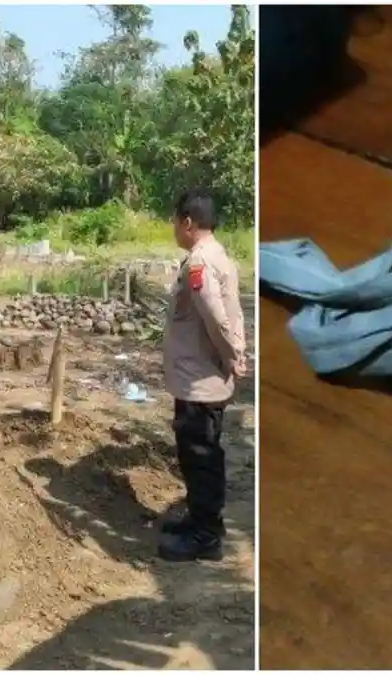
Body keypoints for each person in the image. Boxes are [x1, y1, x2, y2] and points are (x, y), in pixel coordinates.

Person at [159, 189, 247, 562]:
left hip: (200, 380)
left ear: (188, 222)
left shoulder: (200, 264)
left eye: (176, 222)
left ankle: (206, 536)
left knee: (201, 455)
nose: (175, 228)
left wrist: (234, 356)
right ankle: (199, 519)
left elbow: (216, 317)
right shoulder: (214, 256)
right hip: (198, 376)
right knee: (196, 452)